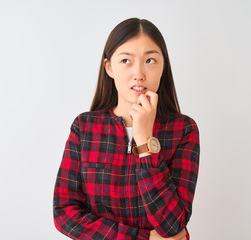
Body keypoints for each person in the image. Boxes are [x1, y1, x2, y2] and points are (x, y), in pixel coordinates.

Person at [53, 17, 200, 240]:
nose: (139, 73)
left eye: (150, 60)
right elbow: (65, 213)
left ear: (164, 66)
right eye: (126, 61)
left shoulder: (183, 130)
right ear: (109, 67)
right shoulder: (84, 128)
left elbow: (172, 225)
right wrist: (142, 239)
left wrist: (144, 140)